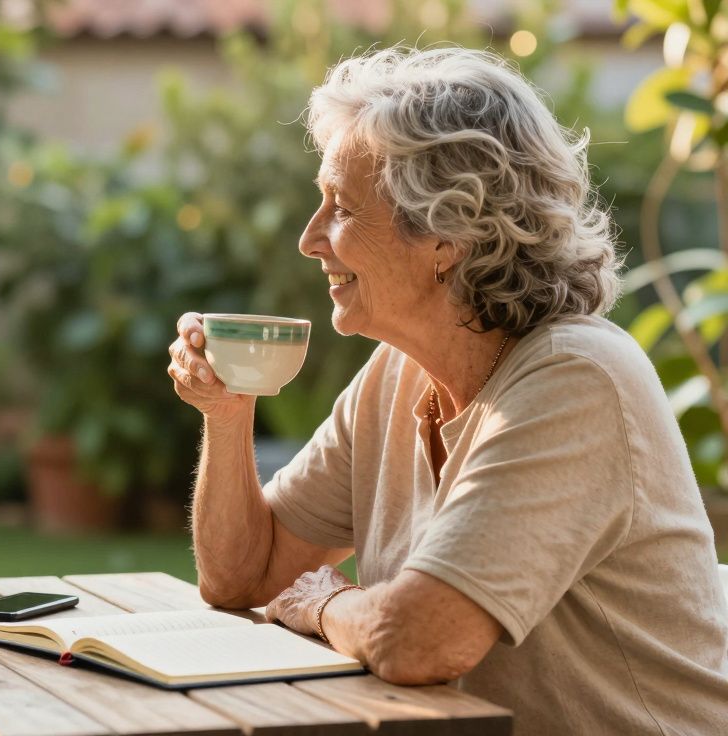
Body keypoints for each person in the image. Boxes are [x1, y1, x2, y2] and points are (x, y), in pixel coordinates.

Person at [168, 46, 728, 734]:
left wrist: (322, 605)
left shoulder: (578, 381)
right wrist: (228, 414)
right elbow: (241, 577)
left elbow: (420, 641)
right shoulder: (396, 374)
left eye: (341, 208)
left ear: (448, 236)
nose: (310, 239)